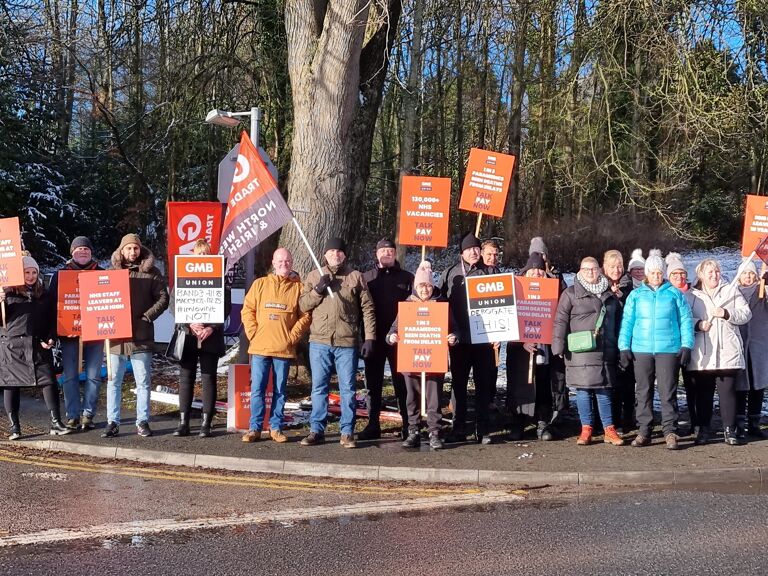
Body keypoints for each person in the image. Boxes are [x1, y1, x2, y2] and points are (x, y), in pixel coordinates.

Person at [299, 238, 376, 449]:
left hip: (346, 342)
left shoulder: (355, 276)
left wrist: (369, 337)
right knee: (319, 388)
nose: (336, 255)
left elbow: (367, 309)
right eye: (332, 251)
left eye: (339, 251)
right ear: (325, 255)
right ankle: (317, 430)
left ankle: (347, 431)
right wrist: (318, 290)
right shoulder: (314, 276)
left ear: (345, 255)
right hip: (319, 342)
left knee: (348, 389)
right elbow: (302, 305)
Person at [618, 249, 694, 450]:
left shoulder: (675, 294)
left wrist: (687, 345)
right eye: (652, 272)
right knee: (643, 391)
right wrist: (624, 346)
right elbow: (627, 322)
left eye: (659, 272)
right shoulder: (635, 296)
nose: (656, 276)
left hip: (668, 349)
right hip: (641, 349)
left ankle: (670, 431)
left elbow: (685, 320)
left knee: (668, 391)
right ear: (646, 273)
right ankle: (645, 430)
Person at [102, 233, 169, 438]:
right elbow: (99, 299)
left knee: (143, 382)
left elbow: (163, 298)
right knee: (114, 382)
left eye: (136, 248)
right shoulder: (110, 273)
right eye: (128, 248)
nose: (132, 252)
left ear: (140, 250)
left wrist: (147, 317)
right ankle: (112, 422)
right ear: (121, 251)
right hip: (115, 338)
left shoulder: (152, 272)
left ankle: (142, 421)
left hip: (141, 335)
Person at [241, 247, 310, 443]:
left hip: (284, 349)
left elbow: (306, 316)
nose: (283, 264)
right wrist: (254, 333)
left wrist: (292, 337)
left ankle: (276, 428)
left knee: (280, 390)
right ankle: (254, 428)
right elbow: (248, 310)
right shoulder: (260, 284)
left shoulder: (299, 288)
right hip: (260, 347)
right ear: (273, 263)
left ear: (292, 263)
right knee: (257, 390)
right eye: (280, 261)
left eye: (287, 261)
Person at [552, 256, 623, 446]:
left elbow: (617, 322)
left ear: (599, 270)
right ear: (580, 271)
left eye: (593, 269)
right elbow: (560, 320)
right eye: (586, 269)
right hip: (580, 350)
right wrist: (557, 345)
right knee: (583, 390)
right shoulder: (570, 293)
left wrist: (620, 346)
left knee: (604, 390)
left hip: (606, 349)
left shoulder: (609, 294)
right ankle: (586, 429)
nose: (591, 272)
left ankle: (609, 429)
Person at [387, 261, 457, 450]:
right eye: (421, 286)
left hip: (434, 360)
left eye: (427, 285)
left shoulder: (442, 304)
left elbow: (455, 329)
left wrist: (453, 337)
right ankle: (413, 430)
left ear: (432, 286)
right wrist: (391, 337)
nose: (425, 289)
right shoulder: (408, 305)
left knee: (433, 398)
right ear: (415, 287)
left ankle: (434, 431)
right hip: (411, 361)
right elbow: (393, 329)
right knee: (412, 397)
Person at [0, 254, 71, 439]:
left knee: (49, 381)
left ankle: (56, 422)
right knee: (11, 385)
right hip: (12, 347)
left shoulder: (44, 294)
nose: (30, 276)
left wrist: (51, 337)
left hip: (37, 344)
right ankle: (15, 427)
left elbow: (50, 320)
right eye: (26, 272)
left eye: (33, 272)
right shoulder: (7, 294)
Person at [437, 232, 497, 444]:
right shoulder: (450, 273)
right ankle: (459, 427)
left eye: (476, 248)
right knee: (459, 386)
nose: (473, 252)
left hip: (484, 339)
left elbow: (501, 303)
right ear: (462, 252)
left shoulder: (490, 271)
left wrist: (501, 332)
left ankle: (483, 429)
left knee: (483, 385)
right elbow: (440, 302)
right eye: (469, 248)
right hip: (459, 340)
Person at [686, 258, 751, 446]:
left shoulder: (730, 291)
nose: (714, 275)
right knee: (703, 394)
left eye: (716, 271)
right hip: (703, 353)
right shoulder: (692, 296)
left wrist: (726, 313)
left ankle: (730, 430)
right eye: (710, 272)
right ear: (701, 275)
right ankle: (703, 429)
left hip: (727, 352)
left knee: (727, 392)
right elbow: (683, 319)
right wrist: (698, 323)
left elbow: (746, 314)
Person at [171, 239, 231, 438]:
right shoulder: (182, 274)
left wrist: (212, 327)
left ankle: (207, 423)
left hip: (210, 336)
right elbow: (174, 304)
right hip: (188, 335)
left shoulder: (220, 277)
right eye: (199, 254)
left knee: (208, 378)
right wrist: (189, 323)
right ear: (193, 256)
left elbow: (226, 306)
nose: (202, 258)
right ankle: (183, 422)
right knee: (185, 378)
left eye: (206, 254)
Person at [359, 238, 413, 441]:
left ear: (395, 254)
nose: (387, 254)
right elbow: (359, 310)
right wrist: (362, 339)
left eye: (391, 251)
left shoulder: (408, 278)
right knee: (373, 383)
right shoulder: (367, 278)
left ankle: (408, 425)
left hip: (400, 339)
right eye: (383, 251)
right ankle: (373, 424)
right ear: (376, 254)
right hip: (373, 338)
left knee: (402, 383)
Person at [48, 236, 104, 431]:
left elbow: (108, 303)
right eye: (78, 249)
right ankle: (73, 415)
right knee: (70, 376)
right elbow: (53, 305)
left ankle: (88, 414)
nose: (82, 252)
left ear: (91, 252)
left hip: (95, 336)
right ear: (72, 252)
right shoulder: (60, 275)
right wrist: (61, 328)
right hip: (69, 336)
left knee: (94, 376)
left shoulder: (101, 273)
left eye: (86, 249)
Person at [506, 252, 557, 441]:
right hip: (520, 348)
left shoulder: (553, 288)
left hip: (543, 347)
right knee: (520, 386)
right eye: (532, 270)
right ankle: (518, 423)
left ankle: (542, 424)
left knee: (543, 385)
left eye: (540, 270)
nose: (536, 273)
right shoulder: (516, 288)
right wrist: (522, 340)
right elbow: (506, 317)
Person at [602, 249, 635, 432]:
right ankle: (610, 420)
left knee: (627, 381)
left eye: (619, 266)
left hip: (626, 339)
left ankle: (628, 418)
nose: (616, 270)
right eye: (612, 266)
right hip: (606, 340)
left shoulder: (629, 287)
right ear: (605, 267)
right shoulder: (599, 286)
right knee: (609, 381)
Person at [735, 260, 767, 439]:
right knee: (740, 385)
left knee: (757, 385)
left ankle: (754, 422)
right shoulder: (734, 292)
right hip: (739, 343)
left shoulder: (762, 292)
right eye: (745, 273)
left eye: (751, 274)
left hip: (758, 344)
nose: (748, 277)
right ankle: (739, 423)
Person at [666, 251, 696, 433]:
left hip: (691, 346)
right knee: (670, 387)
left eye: (682, 273)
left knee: (692, 385)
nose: (679, 277)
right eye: (674, 274)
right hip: (669, 348)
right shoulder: (663, 294)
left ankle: (695, 421)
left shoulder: (694, 293)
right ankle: (673, 424)